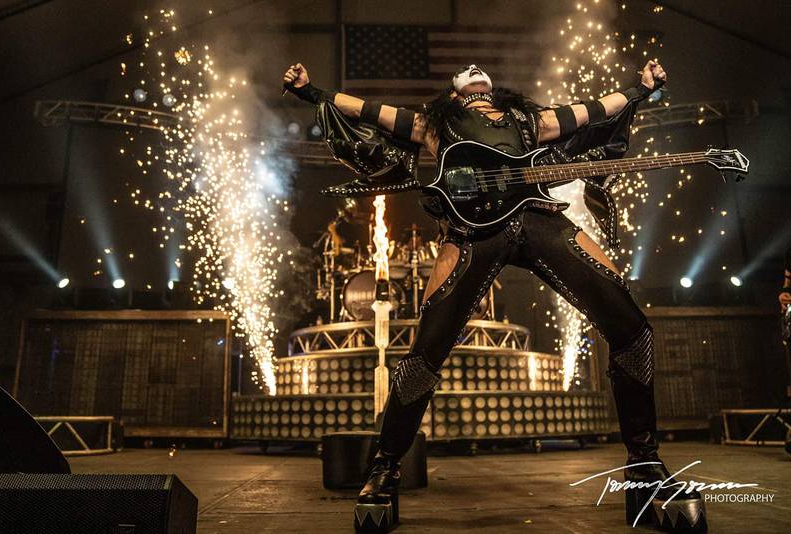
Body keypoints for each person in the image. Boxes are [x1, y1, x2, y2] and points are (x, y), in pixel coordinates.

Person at [283, 61, 707, 533]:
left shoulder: (532, 120)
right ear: (455, 90)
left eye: (478, 71)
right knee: (426, 352)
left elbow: (590, 111)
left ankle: (644, 467)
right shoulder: (433, 123)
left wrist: (639, 88)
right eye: (463, 73)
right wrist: (311, 91)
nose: (471, 68)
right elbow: (370, 110)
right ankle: (384, 467)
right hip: (469, 232)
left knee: (632, 329)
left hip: (540, 216)